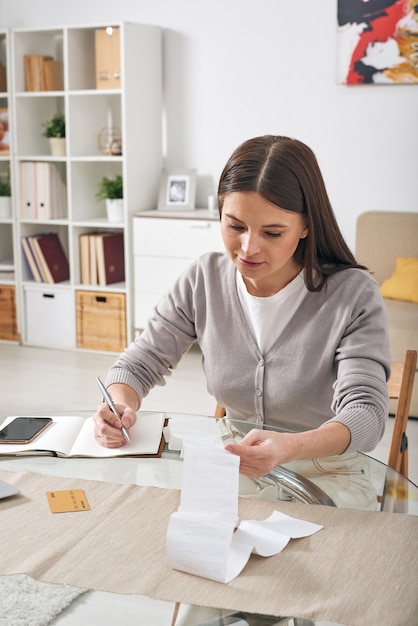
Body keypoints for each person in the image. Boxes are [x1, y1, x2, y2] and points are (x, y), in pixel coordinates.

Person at [93, 135, 391, 482]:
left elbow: (366, 414)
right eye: (235, 226)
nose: (248, 248)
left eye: (273, 233)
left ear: (306, 225)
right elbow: (139, 362)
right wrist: (119, 405)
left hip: (326, 474)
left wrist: (289, 448)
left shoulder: (353, 295)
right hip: (234, 468)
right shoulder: (203, 279)